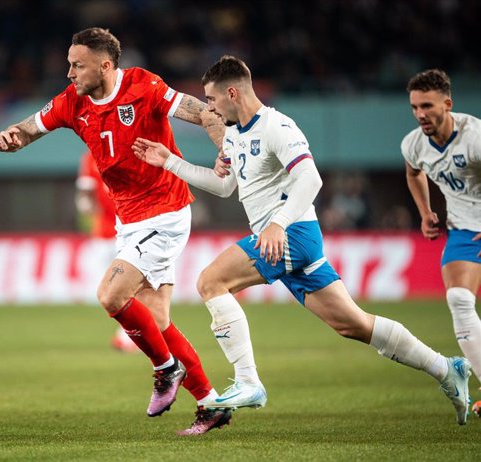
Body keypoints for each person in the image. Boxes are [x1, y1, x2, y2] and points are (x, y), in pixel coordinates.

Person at [132, 55, 473, 425]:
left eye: (212, 100)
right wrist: (169, 162)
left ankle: (248, 381)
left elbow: (311, 179)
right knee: (354, 324)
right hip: (281, 239)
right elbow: (227, 185)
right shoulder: (234, 134)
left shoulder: (278, 126)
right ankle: (446, 368)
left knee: (211, 281)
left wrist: (277, 224)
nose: (209, 110)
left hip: (292, 234)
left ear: (232, 93)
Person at [0, 27, 230, 435]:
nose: (69, 73)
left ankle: (165, 369)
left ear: (105, 65)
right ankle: (210, 404)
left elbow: (201, 111)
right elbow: (29, 127)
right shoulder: (72, 103)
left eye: (76, 65)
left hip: (165, 212)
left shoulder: (143, 85)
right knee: (156, 320)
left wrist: (225, 146)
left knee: (110, 294)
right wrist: (12, 137)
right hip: (129, 219)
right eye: (69, 64)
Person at [401, 68, 481, 396]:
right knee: (459, 299)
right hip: (463, 231)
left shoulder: (474, 138)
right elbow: (413, 173)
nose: (420, 114)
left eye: (428, 106)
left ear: (447, 103)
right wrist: (425, 212)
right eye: (415, 107)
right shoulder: (414, 144)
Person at [75, 149, 138, 353]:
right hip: (103, 234)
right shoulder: (89, 158)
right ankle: (129, 335)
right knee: (107, 292)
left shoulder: (130, 152)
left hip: (128, 231)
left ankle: (127, 337)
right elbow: (85, 192)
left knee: (128, 289)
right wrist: (87, 206)